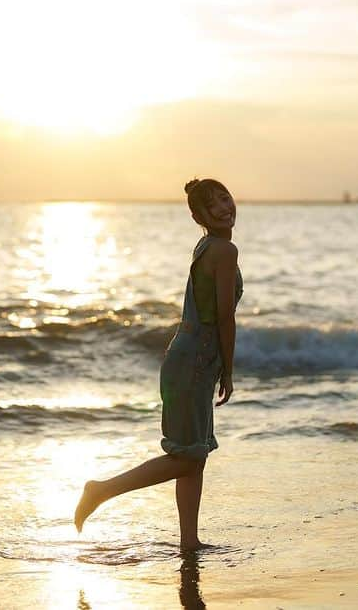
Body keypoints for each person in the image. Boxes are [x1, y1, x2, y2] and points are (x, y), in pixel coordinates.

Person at [73, 178, 243, 551]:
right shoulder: (224, 252)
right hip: (195, 361)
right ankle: (101, 490)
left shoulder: (207, 246)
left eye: (226, 198)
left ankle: (189, 542)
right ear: (199, 215)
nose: (224, 207)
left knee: (193, 455)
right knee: (186, 457)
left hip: (188, 357)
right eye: (213, 204)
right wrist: (228, 370)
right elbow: (225, 317)